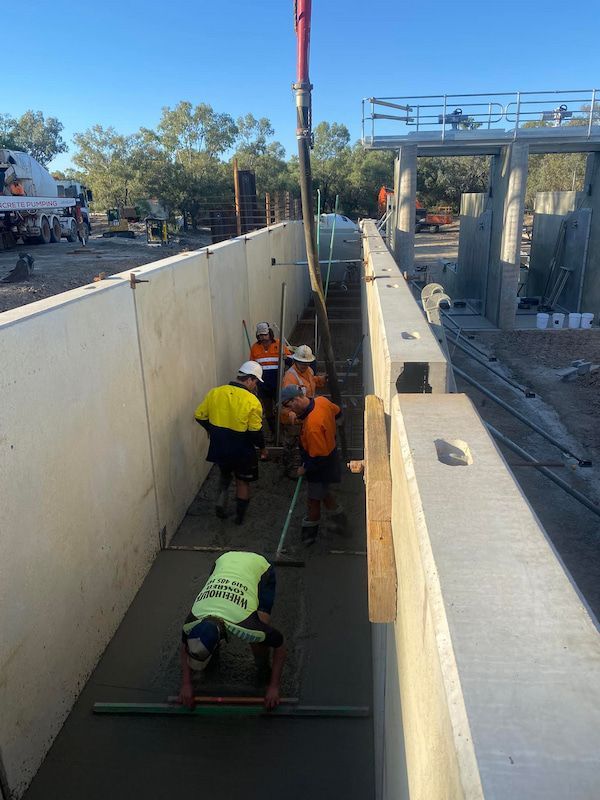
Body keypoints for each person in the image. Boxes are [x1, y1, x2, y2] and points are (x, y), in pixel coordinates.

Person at [179, 551, 286, 710]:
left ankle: (263, 668)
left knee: (259, 643)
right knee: (207, 643)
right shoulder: (191, 622)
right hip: (223, 561)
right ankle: (211, 652)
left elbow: (280, 644)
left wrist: (274, 686)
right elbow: (184, 645)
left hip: (259, 568)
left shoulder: (248, 626)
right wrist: (186, 683)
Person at [194, 361, 268, 525]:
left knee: (225, 473)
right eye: (255, 382)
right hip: (241, 449)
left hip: (219, 446)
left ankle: (221, 500)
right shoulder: (252, 401)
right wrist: (263, 448)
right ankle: (239, 518)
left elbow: (199, 415)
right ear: (250, 379)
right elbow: (255, 431)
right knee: (242, 482)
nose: (255, 386)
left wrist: (212, 430)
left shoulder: (215, 392)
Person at [279, 385, 347, 545]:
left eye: (288, 405)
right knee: (324, 493)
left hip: (321, 464)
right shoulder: (321, 401)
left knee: (313, 500)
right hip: (330, 455)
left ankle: (309, 534)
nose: (290, 410)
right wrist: (331, 431)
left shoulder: (313, 426)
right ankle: (341, 521)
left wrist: (304, 468)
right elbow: (338, 413)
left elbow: (318, 457)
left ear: (296, 400)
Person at [249, 322, 292, 437]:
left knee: (281, 408)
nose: (263, 337)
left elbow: (291, 361)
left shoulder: (279, 344)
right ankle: (274, 432)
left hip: (278, 383)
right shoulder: (255, 347)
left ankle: (283, 431)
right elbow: (252, 366)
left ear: (270, 334)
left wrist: (286, 357)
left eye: (265, 334)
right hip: (263, 384)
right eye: (260, 335)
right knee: (268, 410)